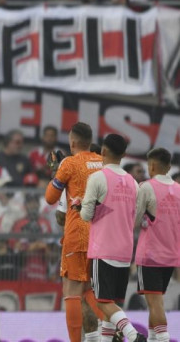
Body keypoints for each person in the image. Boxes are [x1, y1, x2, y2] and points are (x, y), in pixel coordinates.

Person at [77, 134, 146, 342]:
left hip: (103, 248)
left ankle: (132, 334)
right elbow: (136, 217)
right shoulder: (133, 183)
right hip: (125, 250)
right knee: (112, 304)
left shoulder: (97, 177)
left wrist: (80, 206)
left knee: (103, 301)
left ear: (103, 152)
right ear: (124, 154)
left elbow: (86, 215)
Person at [44, 122, 105, 342]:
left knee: (71, 292)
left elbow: (50, 198)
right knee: (92, 290)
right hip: (102, 235)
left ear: (72, 142)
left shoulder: (69, 163)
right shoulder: (103, 163)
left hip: (78, 233)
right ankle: (106, 334)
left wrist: (56, 173)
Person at [134, 147, 179, 342]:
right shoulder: (179, 189)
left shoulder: (146, 187)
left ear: (151, 165)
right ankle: (154, 338)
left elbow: (134, 221)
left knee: (155, 303)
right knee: (156, 301)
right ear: (169, 166)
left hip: (150, 255)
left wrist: (143, 220)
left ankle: (162, 339)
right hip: (171, 254)